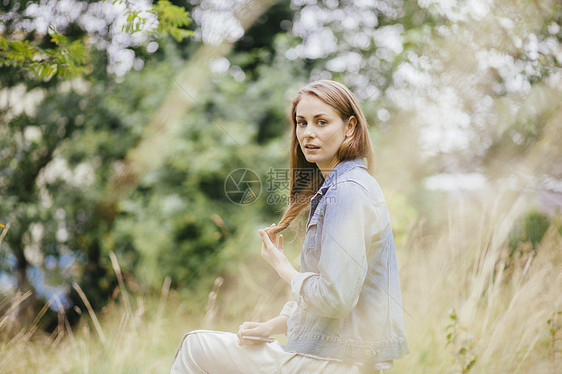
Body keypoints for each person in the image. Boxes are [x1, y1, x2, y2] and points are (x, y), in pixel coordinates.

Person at [171, 80, 409, 373]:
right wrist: (273, 326)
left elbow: (335, 300)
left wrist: (283, 268)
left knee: (196, 346)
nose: (308, 133)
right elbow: (332, 294)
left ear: (350, 127)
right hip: (333, 356)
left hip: (339, 363)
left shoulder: (346, 191)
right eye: (302, 122)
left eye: (321, 122)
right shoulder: (342, 187)